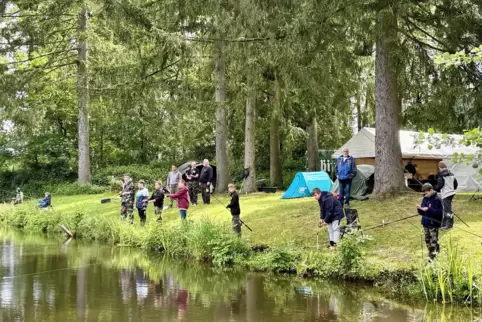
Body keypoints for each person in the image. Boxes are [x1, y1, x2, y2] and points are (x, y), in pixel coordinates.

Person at [417, 183, 443, 262]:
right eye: (424, 193)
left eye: (426, 193)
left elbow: (440, 213)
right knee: (427, 241)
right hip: (425, 223)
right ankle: (434, 253)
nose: (425, 195)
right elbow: (422, 212)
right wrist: (419, 209)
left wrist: (428, 209)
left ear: (431, 190)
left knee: (433, 242)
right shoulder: (425, 198)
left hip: (433, 224)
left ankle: (432, 259)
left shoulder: (438, 199)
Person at [437, 161, 458, 231]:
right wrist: (451, 189)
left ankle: (449, 225)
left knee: (447, 210)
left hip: (446, 194)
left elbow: (440, 185)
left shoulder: (441, 174)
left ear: (440, 167)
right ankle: (443, 224)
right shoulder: (451, 174)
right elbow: (455, 184)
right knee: (446, 209)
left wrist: (434, 188)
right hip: (451, 193)